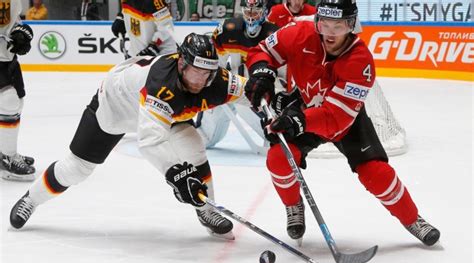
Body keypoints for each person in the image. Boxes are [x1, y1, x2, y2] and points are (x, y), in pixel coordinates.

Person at [9, 33, 250, 241]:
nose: (201, 81)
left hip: (166, 110)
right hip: (116, 105)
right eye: (196, 72)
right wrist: (176, 174)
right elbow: (149, 140)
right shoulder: (161, 84)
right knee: (76, 168)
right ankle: (32, 198)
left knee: (193, 146)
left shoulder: (214, 80)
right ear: (181, 64)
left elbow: (251, 91)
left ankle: (206, 208)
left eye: (207, 73)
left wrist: (274, 97)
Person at [244, 0, 441, 246]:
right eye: (323, 23)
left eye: (337, 26)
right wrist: (262, 71)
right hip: (305, 106)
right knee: (278, 158)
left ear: (351, 25)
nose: (328, 32)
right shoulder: (299, 32)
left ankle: (412, 219)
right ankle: (293, 205)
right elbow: (260, 50)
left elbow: (335, 118)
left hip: (344, 118)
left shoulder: (361, 60)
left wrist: (297, 120)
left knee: (375, 173)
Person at [195, 0, 280, 149]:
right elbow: (216, 63)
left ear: (264, 12)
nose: (251, 17)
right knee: (204, 139)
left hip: (258, 90)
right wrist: (214, 83)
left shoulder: (273, 34)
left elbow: (282, 73)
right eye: (248, 12)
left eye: (255, 12)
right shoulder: (228, 29)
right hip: (231, 84)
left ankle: (277, 137)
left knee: (273, 138)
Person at [0, 1, 36, 181]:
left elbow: (13, 19)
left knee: (15, 104)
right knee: (8, 102)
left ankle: (5, 152)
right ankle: (7, 157)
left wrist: (21, 32)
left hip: (7, 58)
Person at [111, 0, 176, 57]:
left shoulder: (155, 1)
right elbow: (126, 8)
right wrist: (122, 18)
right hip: (137, 53)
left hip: (161, 54)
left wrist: (154, 46)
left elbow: (167, 25)